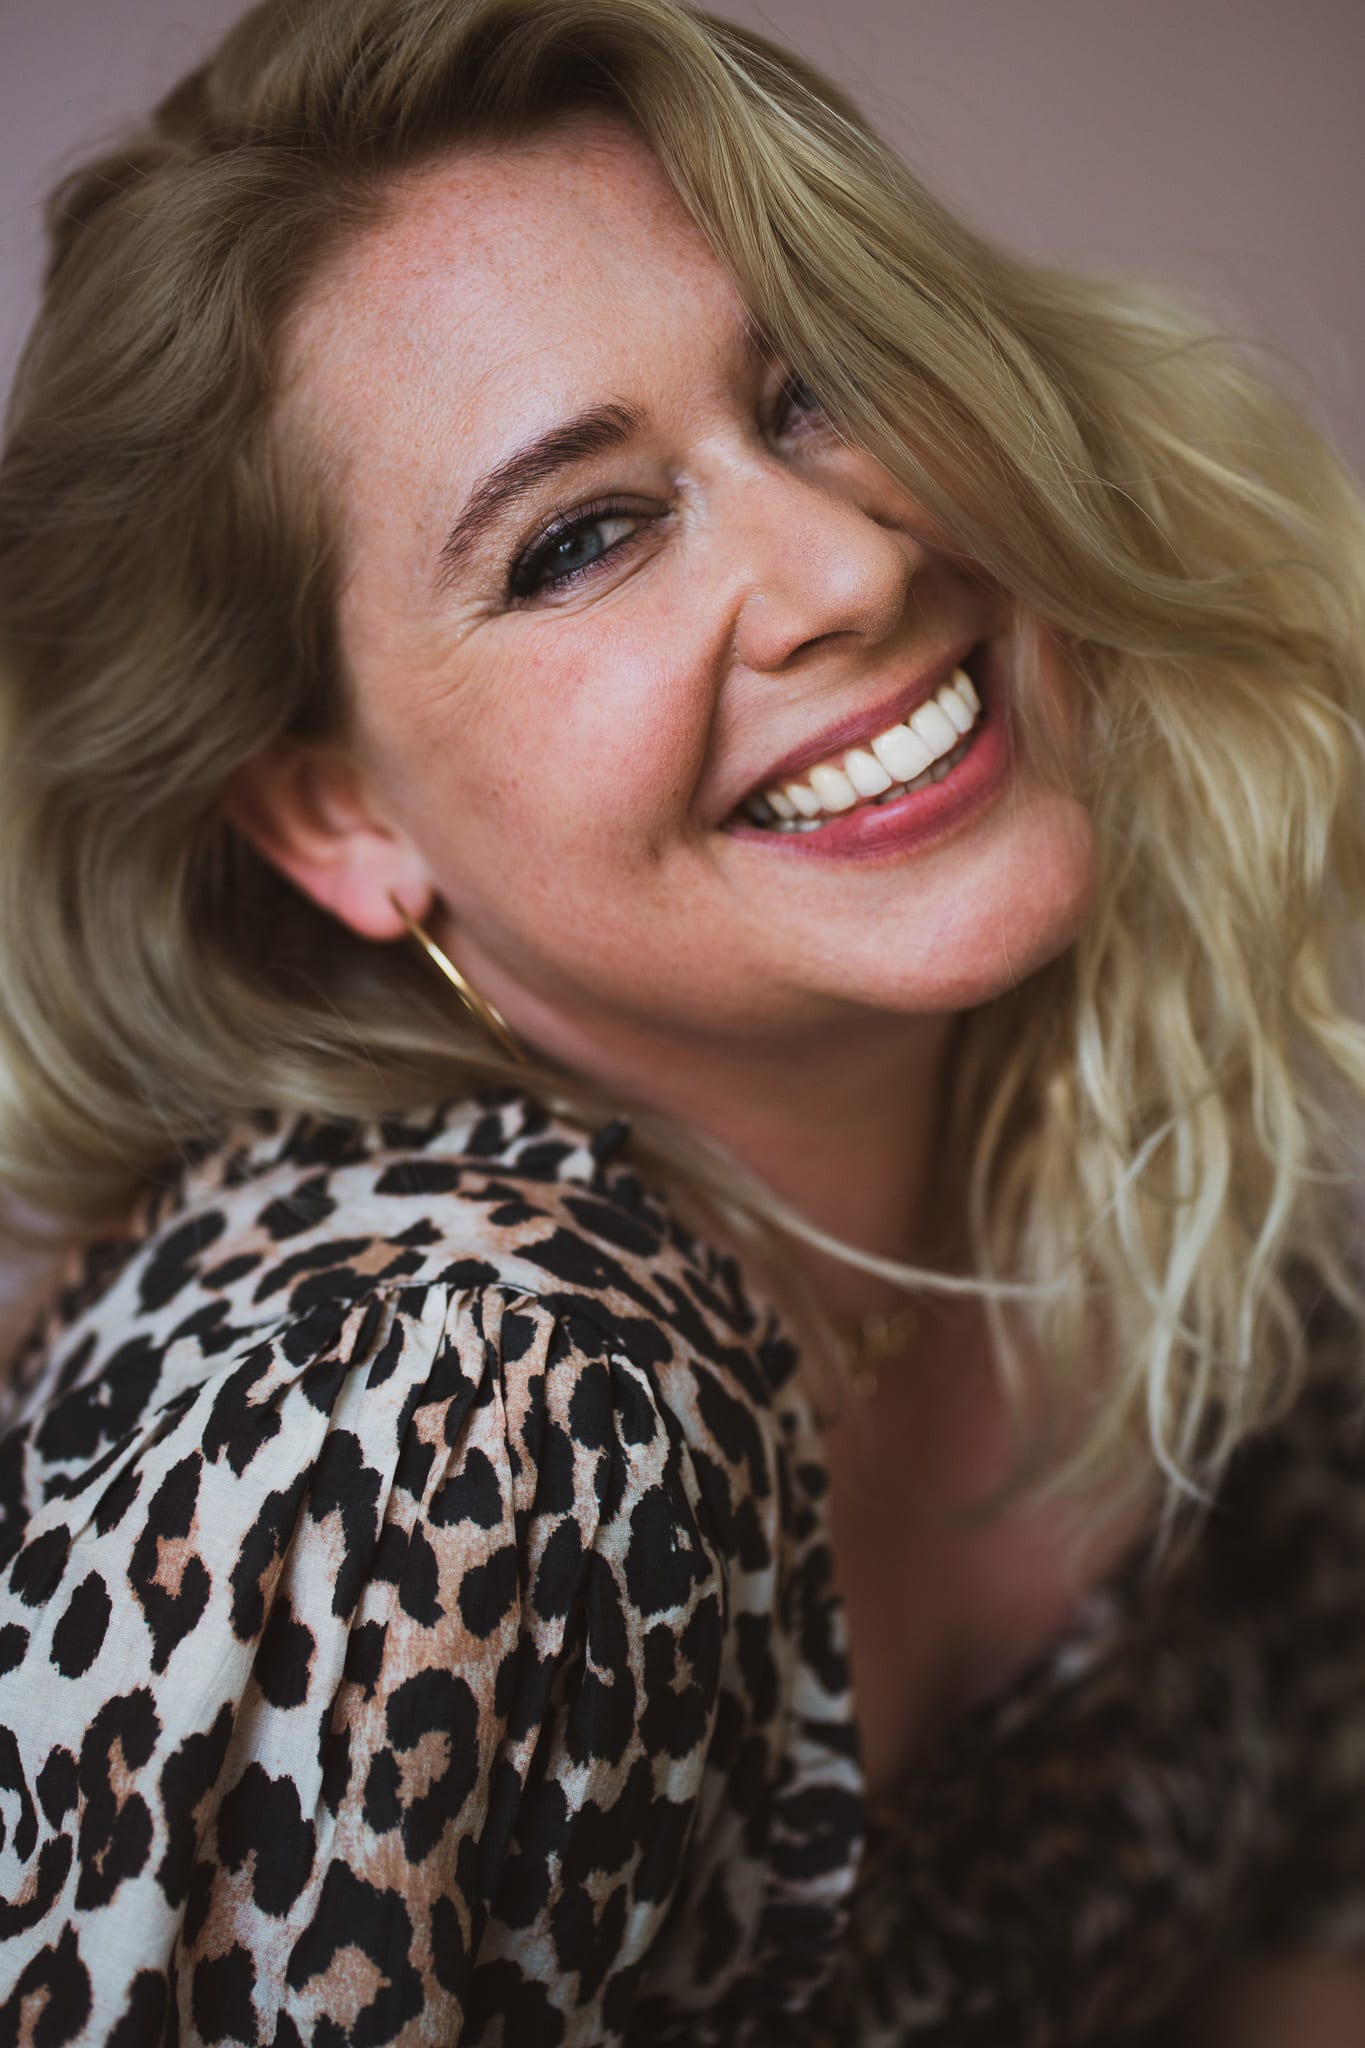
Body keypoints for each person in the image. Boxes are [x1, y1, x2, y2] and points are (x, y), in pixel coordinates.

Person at [1, 0, 1363, 2039]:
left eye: (817, 388)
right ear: (337, 814)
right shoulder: (445, 1404)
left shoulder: (1183, 1154)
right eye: (580, 538)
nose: (844, 566)